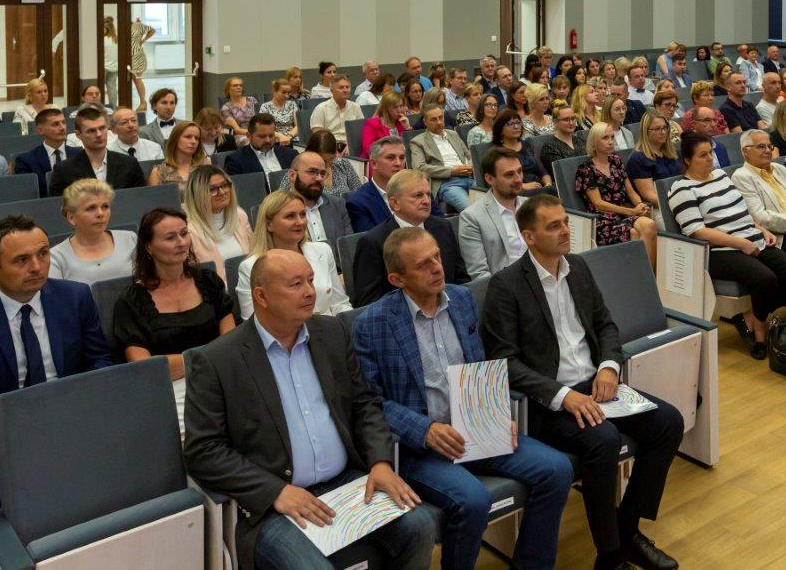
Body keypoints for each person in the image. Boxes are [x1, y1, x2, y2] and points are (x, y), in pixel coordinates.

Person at [185, 250, 436, 570]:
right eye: (295, 284)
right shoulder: (218, 360)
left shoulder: (331, 332)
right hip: (275, 505)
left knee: (420, 527)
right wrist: (275, 491)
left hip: (347, 484)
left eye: (310, 280)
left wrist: (381, 462)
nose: (309, 291)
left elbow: (364, 404)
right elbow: (203, 450)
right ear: (261, 296)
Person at [480, 195, 683, 570]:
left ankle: (627, 531)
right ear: (529, 236)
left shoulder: (578, 267)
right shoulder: (506, 286)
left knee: (668, 422)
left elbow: (605, 324)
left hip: (597, 385)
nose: (565, 230)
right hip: (548, 403)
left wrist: (609, 366)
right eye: (553, 226)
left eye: (565, 222)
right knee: (603, 441)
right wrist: (563, 396)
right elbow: (503, 360)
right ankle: (610, 555)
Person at [352, 228, 573, 569]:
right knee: (472, 500)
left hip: (475, 429)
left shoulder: (462, 299)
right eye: (423, 265)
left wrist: (497, 413)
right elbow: (371, 402)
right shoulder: (372, 323)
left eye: (437, 256)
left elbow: (480, 368)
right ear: (397, 279)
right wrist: (425, 430)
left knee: (557, 469)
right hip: (418, 447)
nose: (437, 267)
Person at [0, 216, 112, 510]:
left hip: (71, 418)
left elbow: (100, 360)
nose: (37, 267)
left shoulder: (76, 297)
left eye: (43, 254)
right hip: (2, 433)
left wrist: (82, 409)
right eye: (21, 260)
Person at [671, 132, 786, 360]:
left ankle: (752, 317)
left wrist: (761, 229)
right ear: (687, 160)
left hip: (750, 237)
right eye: (702, 155)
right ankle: (759, 331)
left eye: (710, 152)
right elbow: (697, 231)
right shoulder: (682, 189)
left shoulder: (721, 176)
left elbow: (741, 211)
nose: (710, 158)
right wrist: (740, 242)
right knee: (765, 279)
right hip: (718, 251)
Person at [115, 207, 237, 427]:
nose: (181, 242)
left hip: (222, 377)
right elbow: (146, 368)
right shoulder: (131, 301)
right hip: (168, 390)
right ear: (148, 247)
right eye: (170, 237)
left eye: (184, 233)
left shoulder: (209, 282)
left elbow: (231, 344)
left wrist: (183, 361)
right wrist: (209, 356)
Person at [351, 169, 466, 308]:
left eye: (428, 194)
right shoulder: (373, 242)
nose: (426, 201)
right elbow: (369, 302)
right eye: (418, 195)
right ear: (395, 203)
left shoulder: (443, 227)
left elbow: (461, 278)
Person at [236, 190, 350, 320]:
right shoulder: (250, 267)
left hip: (329, 328)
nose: (300, 222)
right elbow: (254, 321)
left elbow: (339, 304)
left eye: (303, 214)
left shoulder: (323, 251)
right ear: (269, 224)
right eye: (290, 216)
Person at [577, 123, 657, 265]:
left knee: (648, 226)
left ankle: (644, 274)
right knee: (637, 232)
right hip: (603, 221)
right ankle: (644, 275)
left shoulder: (616, 161)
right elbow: (599, 204)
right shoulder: (585, 169)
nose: (610, 141)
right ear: (594, 142)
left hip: (624, 215)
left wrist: (639, 204)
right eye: (605, 138)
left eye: (612, 137)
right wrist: (631, 211)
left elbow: (630, 191)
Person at [732, 129, 786, 258]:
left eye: (770, 146)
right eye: (761, 147)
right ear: (745, 151)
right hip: (780, 236)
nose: (767, 150)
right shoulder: (741, 177)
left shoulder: (780, 168)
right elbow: (760, 217)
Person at [48, 178, 138, 284]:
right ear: (71, 218)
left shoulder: (130, 239)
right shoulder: (56, 258)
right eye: (91, 208)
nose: (100, 213)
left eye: (105, 206)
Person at [458, 148, 530, 279]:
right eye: (509, 175)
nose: (518, 179)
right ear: (490, 179)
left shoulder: (530, 206)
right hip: (505, 285)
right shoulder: (472, 217)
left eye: (519, 171)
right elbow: (479, 274)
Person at [48, 107, 146, 196]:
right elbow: (57, 206)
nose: (99, 134)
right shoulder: (63, 170)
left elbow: (141, 199)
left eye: (102, 128)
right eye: (91, 131)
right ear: (78, 135)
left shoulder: (129, 164)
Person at [183, 165, 251, 282]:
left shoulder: (240, 216)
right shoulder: (188, 231)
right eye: (213, 189)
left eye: (224, 185)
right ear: (198, 194)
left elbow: (253, 255)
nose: (222, 192)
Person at [283, 150, 353, 260]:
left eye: (322, 174)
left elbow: (349, 250)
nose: (319, 178)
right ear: (292, 175)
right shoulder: (279, 209)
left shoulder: (337, 204)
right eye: (312, 172)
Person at [408, 105, 473, 213]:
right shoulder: (418, 142)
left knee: (494, 203)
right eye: (433, 119)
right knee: (471, 211)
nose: (439, 122)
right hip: (448, 184)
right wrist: (451, 171)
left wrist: (470, 167)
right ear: (425, 122)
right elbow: (419, 168)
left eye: (440, 117)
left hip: (470, 178)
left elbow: (469, 156)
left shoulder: (453, 134)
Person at [14, 108, 79, 195]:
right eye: (55, 124)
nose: (62, 127)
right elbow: (27, 194)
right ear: (40, 130)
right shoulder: (26, 160)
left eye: (63, 122)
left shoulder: (79, 154)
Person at [626, 109, 684, 209]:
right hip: (660, 207)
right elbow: (650, 195)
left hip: (682, 200)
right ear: (646, 131)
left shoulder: (674, 153)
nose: (663, 132)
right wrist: (679, 205)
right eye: (657, 129)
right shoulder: (638, 159)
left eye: (665, 127)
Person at [346, 136, 405, 232]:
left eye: (402, 158)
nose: (398, 163)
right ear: (373, 164)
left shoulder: (418, 191)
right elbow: (371, 239)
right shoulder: (358, 203)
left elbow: (431, 225)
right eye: (390, 157)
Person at [283, 130, 363, 197]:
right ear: (310, 152)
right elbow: (281, 201)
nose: (326, 165)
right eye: (322, 160)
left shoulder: (343, 165)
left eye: (331, 159)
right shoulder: (298, 171)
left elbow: (359, 193)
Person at [492, 107, 552, 191]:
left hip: (540, 188)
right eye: (511, 124)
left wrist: (548, 185)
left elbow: (542, 171)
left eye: (518, 122)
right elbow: (499, 181)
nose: (516, 127)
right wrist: (523, 186)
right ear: (500, 129)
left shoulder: (527, 145)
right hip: (517, 191)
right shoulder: (498, 152)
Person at [224, 113, 297, 180]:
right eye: (262, 136)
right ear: (249, 136)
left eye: (271, 135)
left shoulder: (291, 155)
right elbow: (238, 188)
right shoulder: (236, 161)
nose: (268, 140)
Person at [310, 74, 363, 150]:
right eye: (341, 87)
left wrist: (351, 145)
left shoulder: (355, 107)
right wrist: (332, 150)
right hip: (329, 147)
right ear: (332, 91)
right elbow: (318, 136)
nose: (345, 90)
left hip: (351, 146)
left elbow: (361, 130)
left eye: (347, 87)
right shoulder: (321, 109)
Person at [149, 121, 206, 186]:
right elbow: (153, 192)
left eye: (197, 138)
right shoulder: (159, 172)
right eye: (188, 137)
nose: (194, 141)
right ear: (175, 139)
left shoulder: (204, 167)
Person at [540, 103, 582, 176]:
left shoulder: (579, 140)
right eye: (566, 119)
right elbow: (563, 174)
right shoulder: (550, 147)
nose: (571, 123)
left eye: (573, 118)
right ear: (555, 122)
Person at [263, 78, 300, 145]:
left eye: (288, 93)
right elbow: (264, 127)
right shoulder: (266, 107)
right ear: (275, 91)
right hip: (274, 141)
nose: (286, 96)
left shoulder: (292, 104)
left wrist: (289, 137)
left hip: (292, 139)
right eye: (283, 92)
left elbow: (298, 125)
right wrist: (280, 136)